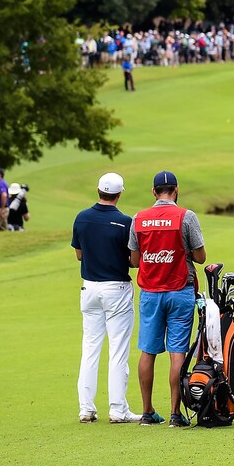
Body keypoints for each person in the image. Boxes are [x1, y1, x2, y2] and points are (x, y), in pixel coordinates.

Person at [128, 171, 206, 428]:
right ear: (176, 189)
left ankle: (147, 412)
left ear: (153, 192)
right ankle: (175, 413)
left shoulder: (139, 219)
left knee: (148, 351)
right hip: (180, 290)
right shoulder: (186, 216)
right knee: (177, 352)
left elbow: (135, 261)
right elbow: (201, 256)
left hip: (150, 293)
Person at [72, 173, 142, 424]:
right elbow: (134, 261)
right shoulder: (125, 222)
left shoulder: (81, 217)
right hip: (117, 290)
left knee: (90, 349)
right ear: (120, 193)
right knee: (118, 351)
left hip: (89, 289)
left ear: (98, 190)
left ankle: (86, 409)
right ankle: (117, 410)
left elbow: (79, 255)